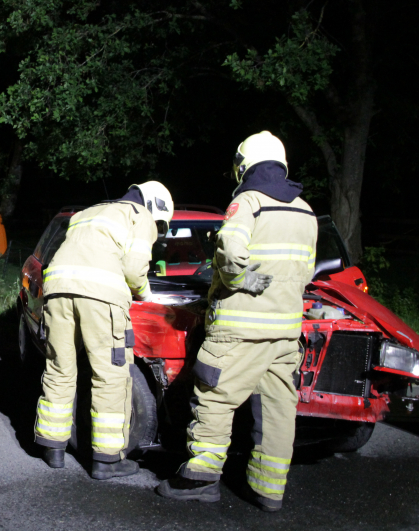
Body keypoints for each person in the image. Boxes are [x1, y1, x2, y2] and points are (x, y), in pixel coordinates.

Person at [157, 131, 318, 512]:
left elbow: (229, 249)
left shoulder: (249, 202)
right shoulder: (306, 210)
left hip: (239, 331)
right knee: (277, 408)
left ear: (243, 167)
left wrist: (238, 279)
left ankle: (200, 477)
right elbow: (305, 270)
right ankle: (268, 489)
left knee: (215, 396)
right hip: (285, 333)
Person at [34, 181, 174, 479]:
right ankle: (107, 460)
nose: (158, 229)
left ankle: (52, 448)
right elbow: (135, 270)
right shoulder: (140, 215)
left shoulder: (88, 213)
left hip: (57, 290)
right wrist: (147, 295)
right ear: (155, 207)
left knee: (60, 368)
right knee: (110, 374)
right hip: (99, 297)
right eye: (160, 224)